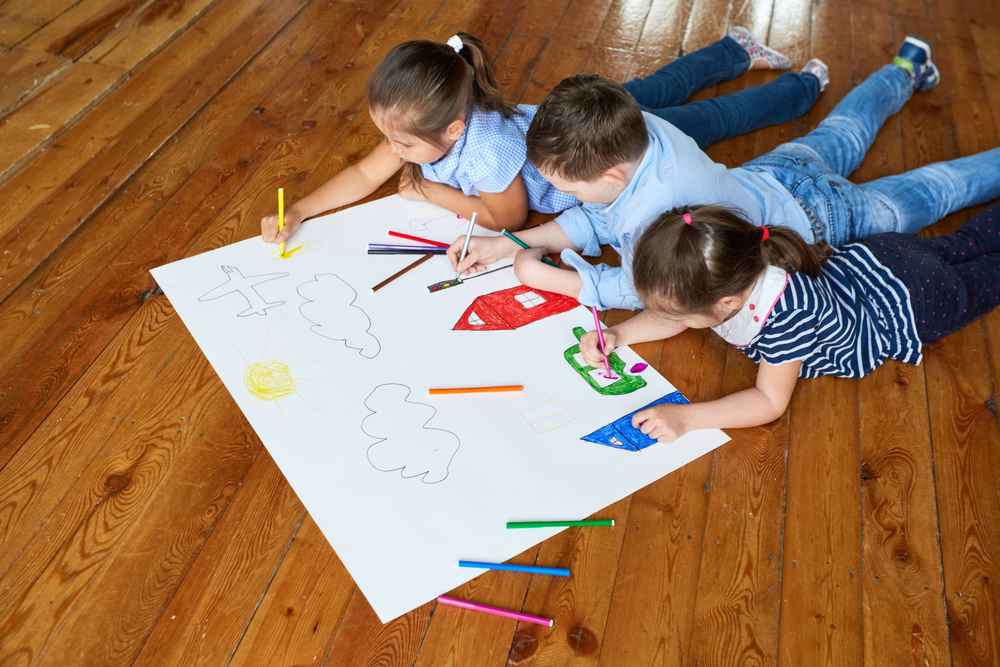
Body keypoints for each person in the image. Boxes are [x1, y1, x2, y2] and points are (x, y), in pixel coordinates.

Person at [455, 35, 1000, 311]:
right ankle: (904, 66)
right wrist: (512, 242)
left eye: (566, 186)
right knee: (847, 131)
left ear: (613, 177)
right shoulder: (636, 127)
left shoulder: (658, 223)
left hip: (822, 222)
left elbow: (635, 288)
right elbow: (596, 217)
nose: (561, 195)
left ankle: (908, 71)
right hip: (779, 174)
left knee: (933, 191)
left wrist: (550, 278)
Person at [261, 28, 825, 240]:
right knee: (656, 85)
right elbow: (364, 173)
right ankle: (735, 49)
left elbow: (512, 218)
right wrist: (302, 211)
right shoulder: (420, 125)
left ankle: (802, 87)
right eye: (390, 139)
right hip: (582, 119)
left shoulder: (487, 151)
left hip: (611, 145)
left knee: (714, 120)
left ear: (454, 129)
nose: (393, 151)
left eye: (403, 143)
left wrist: (432, 193)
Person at [575, 201, 1000, 443]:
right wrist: (619, 333)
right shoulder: (733, 267)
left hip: (915, 302)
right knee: (966, 242)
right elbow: (677, 317)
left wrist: (688, 419)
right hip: (882, 258)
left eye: (679, 312)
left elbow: (769, 402)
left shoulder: (785, 316)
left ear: (725, 302)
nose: (669, 318)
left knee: (989, 274)